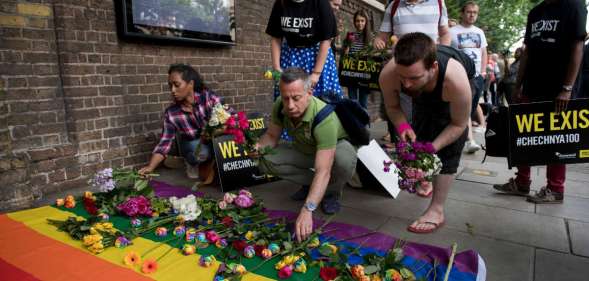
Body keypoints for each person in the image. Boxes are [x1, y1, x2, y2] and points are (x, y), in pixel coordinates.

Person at [493, 0, 586, 204]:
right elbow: (528, 51)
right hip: (532, 85)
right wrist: (518, 85)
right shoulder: (536, 12)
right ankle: (522, 182)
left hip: (558, 88)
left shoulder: (574, 5)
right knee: (523, 135)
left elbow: (577, 47)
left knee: (556, 138)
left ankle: (555, 189)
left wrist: (567, 88)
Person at [380, 33, 472, 233]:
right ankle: (427, 177)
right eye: (402, 77)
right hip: (428, 88)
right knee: (419, 129)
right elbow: (393, 107)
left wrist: (432, 148)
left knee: (448, 146)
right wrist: (404, 127)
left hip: (461, 81)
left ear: (433, 68)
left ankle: (437, 210)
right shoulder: (389, 75)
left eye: (413, 78)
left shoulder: (456, 82)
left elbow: (458, 124)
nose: (406, 85)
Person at [255, 67, 357, 241]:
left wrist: (307, 209)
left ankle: (332, 191)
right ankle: (314, 188)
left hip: (333, 151)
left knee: (343, 160)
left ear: (309, 93)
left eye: (296, 98)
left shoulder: (324, 117)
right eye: (286, 98)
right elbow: (271, 136)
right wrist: (258, 148)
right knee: (265, 159)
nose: (290, 105)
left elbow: (323, 170)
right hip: (305, 150)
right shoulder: (280, 105)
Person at [373, 0, 451, 184]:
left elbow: (445, 33)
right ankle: (412, 167)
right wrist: (379, 41)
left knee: (431, 120)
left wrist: (441, 53)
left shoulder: (438, 3)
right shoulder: (394, 5)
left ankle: (426, 168)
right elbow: (382, 36)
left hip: (428, 72)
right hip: (402, 71)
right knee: (406, 119)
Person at [139, 64, 222, 179]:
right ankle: (190, 162)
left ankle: (209, 164)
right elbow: (164, 143)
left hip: (215, 139)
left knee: (223, 146)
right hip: (192, 144)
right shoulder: (172, 113)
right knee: (200, 153)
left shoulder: (208, 98)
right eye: (170, 86)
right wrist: (150, 167)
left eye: (177, 85)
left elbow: (231, 117)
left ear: (191, 84)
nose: (172, 90)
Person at [266, 0, 343, 99]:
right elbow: (276, 37)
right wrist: (277, 68)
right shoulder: (280, 3)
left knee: (322, 102)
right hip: (289, 55)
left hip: (316, 57)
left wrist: (316, 74)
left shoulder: (321, 2)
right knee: (289, 99)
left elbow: (326, 39)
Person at [449, 0, 487, 154]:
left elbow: (484, 52)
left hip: (477, 76)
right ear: (462, 13)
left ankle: (463, 137)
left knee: (470, 108)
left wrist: (483, 72)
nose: (472, 15)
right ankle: (469, 139)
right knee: (465, 107)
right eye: (469, 12)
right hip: (461, 75)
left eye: (475, 12)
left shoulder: (479, 32)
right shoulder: (452, 31)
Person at [343, 10, 372, 109]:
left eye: (362, 21)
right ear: (354, 22)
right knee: (353, 101)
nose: (360, 23)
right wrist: (348, 45)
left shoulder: (370, 36)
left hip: (364, 73)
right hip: (351, 72)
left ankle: (363, 124)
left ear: (366, 22)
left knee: (363, 102)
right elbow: (345, 55)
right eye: (357, 21)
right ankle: (354, 123)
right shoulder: (350, 35)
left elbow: (373, 56)